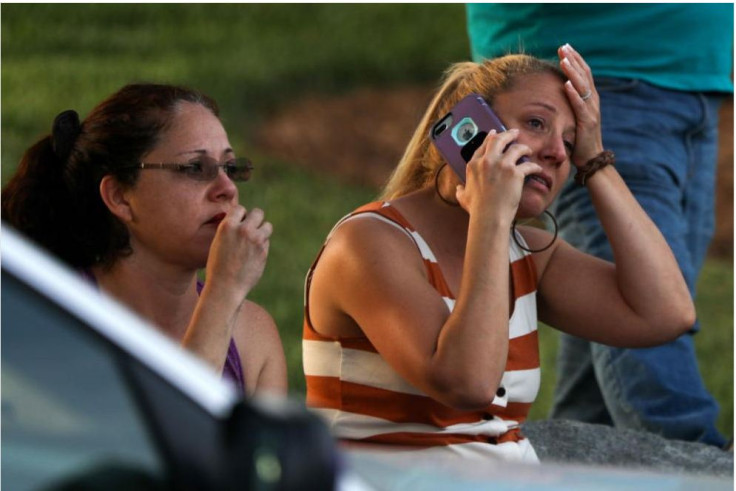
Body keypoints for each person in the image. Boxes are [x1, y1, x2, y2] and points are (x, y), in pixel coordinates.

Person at [302, 48, 695, 463]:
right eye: (536, 123)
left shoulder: (527, 254)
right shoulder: (368, 242)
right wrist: (489, 216)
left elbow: (666, 314)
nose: (558, 153)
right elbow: (467, 383)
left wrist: (595, 160)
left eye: (570, 141)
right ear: (466, 129)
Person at [466, 3, 733, 448]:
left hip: (692, 82)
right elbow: (654, 318)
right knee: (642, 332)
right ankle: (699, 459)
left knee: (594, 399)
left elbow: (666, 313)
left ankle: (570, 469)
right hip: (595, 75)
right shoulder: (378, 240)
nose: (557, 154)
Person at [2, 83, 287, 396]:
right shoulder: (56, 323)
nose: (227, 188)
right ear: (120, 196)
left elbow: (269, 448)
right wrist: (222, 295)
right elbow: (151, 438)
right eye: (195, 167)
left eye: (230, 168)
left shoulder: (252, 334)